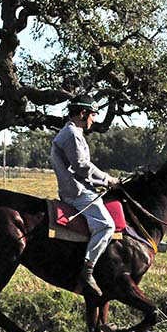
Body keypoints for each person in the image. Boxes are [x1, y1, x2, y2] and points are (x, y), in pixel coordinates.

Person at [50, 95, 120, 297]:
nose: (94, 120)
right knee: (107, 225)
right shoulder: (71, 134)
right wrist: (108, 180)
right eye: (93, 115)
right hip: (77, 193)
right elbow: (81, 166)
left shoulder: (72, 132)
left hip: (78, 188)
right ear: (82, 113)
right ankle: (87, 272)